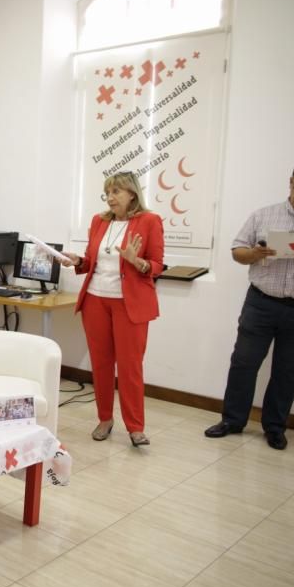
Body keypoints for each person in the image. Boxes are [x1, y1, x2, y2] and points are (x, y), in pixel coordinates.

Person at [206, 158, 294, 450]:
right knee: (243, 363)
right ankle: (232, 421)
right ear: (290, 182)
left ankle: (274, 427)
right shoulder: (264, 215)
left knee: (289, 369)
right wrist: (256, 254)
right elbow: (237, 251)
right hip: (261, 303)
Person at [62, 171, 165, 447]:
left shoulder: (149, 221)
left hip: (129, 304)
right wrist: (77, 261)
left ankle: (135, 427)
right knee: (101, 363)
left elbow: (156, 265)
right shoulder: (99, 221)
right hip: (95, 299)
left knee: (130, 367)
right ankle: (105, 419)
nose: (110, 198)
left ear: (132, 193)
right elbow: (93, 261)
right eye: (107, 192)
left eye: (116, 192)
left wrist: (137, 261)